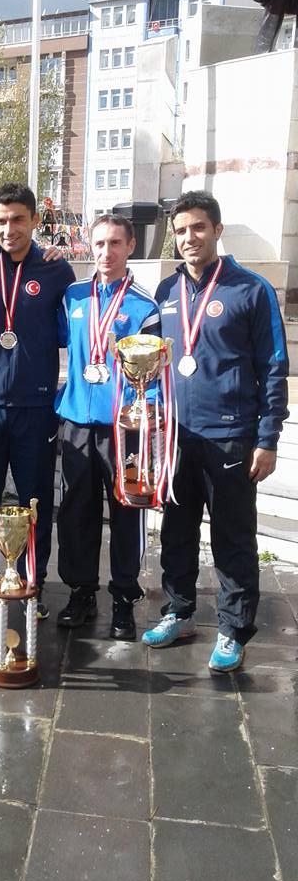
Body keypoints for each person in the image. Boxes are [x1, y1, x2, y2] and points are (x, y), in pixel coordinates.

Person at [142, 190, 289, 671]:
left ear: (217, 230)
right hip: (177, 437)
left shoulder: (251, 290)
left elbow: (273, 367)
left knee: (233, 538)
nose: (189, 238)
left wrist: (267, 438)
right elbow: (151, 361)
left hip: (230, 436)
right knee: (176, 533)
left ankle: (233, 628)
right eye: (181, 230)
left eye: (198, 227)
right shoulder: (166, 291)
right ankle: (179, 611)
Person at [0, 182, 75, 618]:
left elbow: (68, 329)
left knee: (35, 501)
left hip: (36, 405)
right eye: (0, 221)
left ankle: (33, 583)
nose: (8, 229)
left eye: (18, 220)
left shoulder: (56, 271)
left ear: (34, 220)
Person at [54, 214, 161, 640]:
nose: (106, 252)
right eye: (99, 243)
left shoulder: (144, 305)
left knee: (126, 514)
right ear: (89, 245)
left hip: (124, 429)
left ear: (130, 246)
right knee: (75, 512)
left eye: (115, 243)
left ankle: (123, 599)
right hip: (78, 423)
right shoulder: (73, 296)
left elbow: (153, 375)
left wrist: (146, 417)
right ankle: (81, 592)